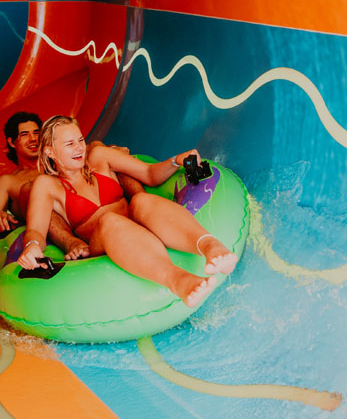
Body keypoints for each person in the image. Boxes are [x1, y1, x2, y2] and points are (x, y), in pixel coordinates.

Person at [18, 115, 238, 308]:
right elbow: (36, 230)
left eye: (80, 140)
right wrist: (32, 248)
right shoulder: (47, 185)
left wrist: (175, 160)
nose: (79, 148)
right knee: (109, 220)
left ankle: (211, 246)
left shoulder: (98, 157)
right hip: (104, 241)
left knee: (141, 200)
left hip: (139, 224)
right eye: (69, 144)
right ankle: (180, 281)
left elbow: (150, 174)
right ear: (50, 151)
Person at [0, 112, 89, 260]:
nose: (33, 139)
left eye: (37, 133)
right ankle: (71, 243)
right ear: (11, 142)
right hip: (48, 223)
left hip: (81, 213)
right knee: (31, 189)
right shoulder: (9, 181)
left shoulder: (62, 162)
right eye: (24, 134)